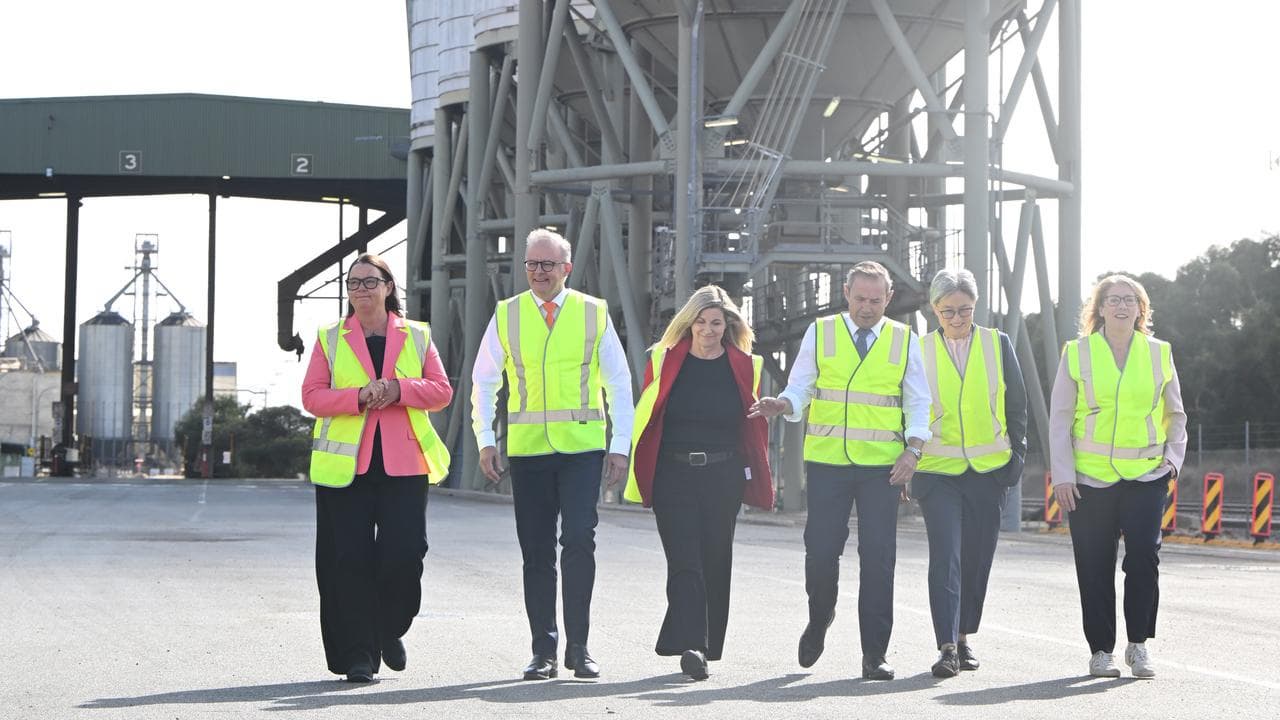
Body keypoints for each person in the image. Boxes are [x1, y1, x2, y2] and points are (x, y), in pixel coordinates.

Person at [749, 260, 930, 681]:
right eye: (860, 298)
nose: (867, 307)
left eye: (875, 300)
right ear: (846, 293)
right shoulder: (822, 331)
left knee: (879, 559)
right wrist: (784, 404)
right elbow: (801, 386)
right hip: (828, 462)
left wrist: (914, 450)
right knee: (821, 552)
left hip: (882, 467)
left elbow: (918, 401)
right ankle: (820, 616)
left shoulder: (905, 340)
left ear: (888, 298)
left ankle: (875, 654)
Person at [472, 229, 634, 680]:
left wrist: (619, 447)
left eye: (547, 265)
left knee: (579, 540)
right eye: (531, 264)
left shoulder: (592, 312)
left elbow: (619, 384)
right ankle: (543, 649)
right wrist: (486, 437)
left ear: (566, 268)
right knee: (536, 551)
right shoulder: (507, 315)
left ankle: (579, 648)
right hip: (528, 452)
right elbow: (484, 380)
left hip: (583, 449)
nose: (538, 273)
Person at [300, 253, 453, 683]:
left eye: (370, 282)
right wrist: (358, 397)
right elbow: (312, 396)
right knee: (348, 559)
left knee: (406, 553)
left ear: (389, 287)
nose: (361, 291)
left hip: (404, 463)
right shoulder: (330, 337)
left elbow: (441, 391)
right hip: (345, 468)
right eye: (353, 284)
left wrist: (398, 389)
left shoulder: (417, 335)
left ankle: (389, 626)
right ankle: (359, 656)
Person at [622, 285, 775, 681]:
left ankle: (702, 641)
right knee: (684, 559)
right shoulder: (663, 359)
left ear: (728, 326)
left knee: (715, 558)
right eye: (701, 322)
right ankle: (693, 645)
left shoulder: (745, 364)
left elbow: (751, 420)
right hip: (673, 473)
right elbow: (646, 413)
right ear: (689, 324)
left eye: (716, 323)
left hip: (723, 475)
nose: (708, 330)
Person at [1050, 274, 1186, 679]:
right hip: (1089, 480)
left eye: (1130, 300)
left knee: (1144, 557)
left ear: (1141, 309)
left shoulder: (1159, 353)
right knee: (1094, 565)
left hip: (1146, 476)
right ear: (1100, 308)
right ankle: (1100, 651)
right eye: (1113, 300)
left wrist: (1173, 462)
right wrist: (1063, 474)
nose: (1122, 306)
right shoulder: (1077, 353)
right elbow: (1059, 418)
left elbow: (1175, 413)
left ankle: (1139, 645)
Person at [912, 269, 1027, 678]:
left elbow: (1017, 405)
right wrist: (908, 460)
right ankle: (945, 646)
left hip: (988, 470)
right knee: (946, 556)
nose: (957, 318)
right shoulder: (918, 349)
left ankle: (963, 637)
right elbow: (904, 407)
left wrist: (1017, 459)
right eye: (948, 312)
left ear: (975, 307)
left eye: (964, 310)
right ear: (934, 310)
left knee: (977, 558)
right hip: (937, 470)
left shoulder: (998, 344)